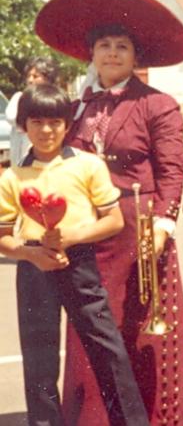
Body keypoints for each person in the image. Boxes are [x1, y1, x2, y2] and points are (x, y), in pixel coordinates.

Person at [34, 0, 183, 424]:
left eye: (121, 46)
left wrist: (164, 222)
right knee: (89, 325)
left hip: (138, 231)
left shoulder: (158, 104)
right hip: (87, 230)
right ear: (91, 54)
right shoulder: (77, 106)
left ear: (135, 56)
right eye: (103, 45)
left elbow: (172, 170)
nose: (111, 53)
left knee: (134, 326)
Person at [0, 83, 148, 426]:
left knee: (107, 349)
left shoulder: (88, 165)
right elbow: (3, 237)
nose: (46, 130)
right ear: (23, 126)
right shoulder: (13, 176)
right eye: (36, 122)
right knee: (39, 357)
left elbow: (113, 220)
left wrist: (72, 237)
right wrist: (28, 253)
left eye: (55, 122)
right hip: (35, 267)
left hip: (79, 263)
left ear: (68, 125)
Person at [4, 57, 59, 165]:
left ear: (47, 78)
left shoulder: (54, 99)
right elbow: (11, 116)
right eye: (28, 76)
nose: (30, 80)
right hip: (20, 148)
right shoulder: (20, 97)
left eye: (35, 76)